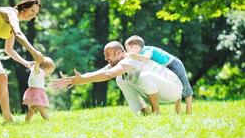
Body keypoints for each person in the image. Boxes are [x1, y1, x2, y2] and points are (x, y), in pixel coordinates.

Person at [51, 41, 183, 115]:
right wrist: (74, 80)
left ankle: (156, 112)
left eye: (108, 55)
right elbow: (99, 72)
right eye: (105, 55)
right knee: (121, 79)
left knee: (144, 76)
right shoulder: (117, 62)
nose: (106, 59)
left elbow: (109, 74)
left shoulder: (130, 59)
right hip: (160, 90)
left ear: (120, 53)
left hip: (173, 90)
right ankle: (145, 112)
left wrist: (83, 80)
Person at [124, 35, 193, 114]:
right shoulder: (140, 54)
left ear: (135, 47)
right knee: (176, 87)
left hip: (173, 64)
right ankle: (178, 112)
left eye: (128, 49)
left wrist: (132, 55)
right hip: (164, 69)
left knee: (185, 87)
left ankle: (189, 111)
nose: (128, 52)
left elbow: (147, 58)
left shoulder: (146, 49)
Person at [23, 56, 55, 122]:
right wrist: (38, 62)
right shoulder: (39, 71)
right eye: (49, 72)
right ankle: (48, 122)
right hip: (35, 92)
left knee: (31, 111)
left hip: (35, 92)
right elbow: (36, 67)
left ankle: (26, 122)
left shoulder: (37, 72)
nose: (49, 74)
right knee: (42, 109)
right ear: (46, 68)